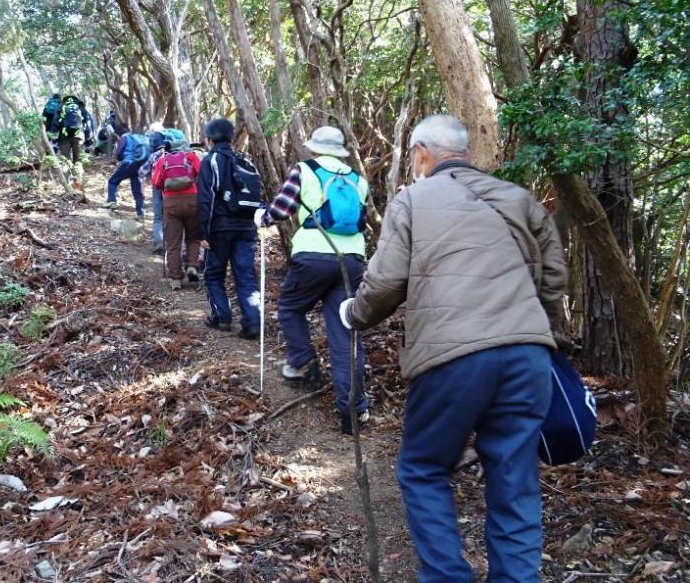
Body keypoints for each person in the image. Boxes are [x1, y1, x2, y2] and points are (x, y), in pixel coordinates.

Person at [339, 115, 566, 583]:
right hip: (528, 355)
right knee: (514, 480)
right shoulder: (518, 199)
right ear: (465, 153)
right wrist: (541, 337)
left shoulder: (414, 200)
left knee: (423, 468)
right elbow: (552, 281)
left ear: (421, 152)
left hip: (452, 356)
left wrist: (353, 315)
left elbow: (384, 283)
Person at [254, 126, 371, 434]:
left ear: (316, 147)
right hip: (353, 260)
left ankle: (303, 361)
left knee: (291, 307)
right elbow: (364, 220)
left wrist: (262, 217)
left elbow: (281, 209)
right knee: (347, 331)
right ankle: (353, 411)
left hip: (313, 256)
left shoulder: (305, 170)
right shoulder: (358, 179)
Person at [196, 118, 262, 339]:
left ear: (210, 138)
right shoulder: (245, 161)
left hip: (220, 227)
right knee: (245, 275)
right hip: (247, 227)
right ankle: (253, 323)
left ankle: (221, 317)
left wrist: (202, 232)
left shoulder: (211, 161)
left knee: (213, 273)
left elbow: (206, 199)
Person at [153, 137, 202, 290]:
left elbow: (156, 183)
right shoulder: (192, 156)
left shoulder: (163, 160)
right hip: (192, 201)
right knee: (193, 238)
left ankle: (175, 279)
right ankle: (192, 266)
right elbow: (201, 174)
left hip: (171, 203)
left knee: (173, 242)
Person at [101, 131, 150, 217]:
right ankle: (141, 212)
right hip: (140, 165)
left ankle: (111, 202)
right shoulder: (140, 138)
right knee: (137, 189)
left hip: (128, 163)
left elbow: (119, 152)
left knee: (113, 181)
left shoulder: (125, 137)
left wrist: (118, 159)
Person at [139, 126, 170, 254]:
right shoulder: (173, 154)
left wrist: (142, 187)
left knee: (158, 216)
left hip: (157, 187)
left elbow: (141, 171)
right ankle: (171, 244)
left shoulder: (154, 156)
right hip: (172, 189)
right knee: (170, 217)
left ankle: (159, 242)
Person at [57, 95, 92, 164]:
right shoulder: (81, 106)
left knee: (65, 158)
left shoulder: (61, 106)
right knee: (77, 158)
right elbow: (87, 123)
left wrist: (55, 139)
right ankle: (77, 171)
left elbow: (55, 122)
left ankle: (67, 173)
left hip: (64, 135)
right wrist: (88, 141)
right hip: (78, 134)